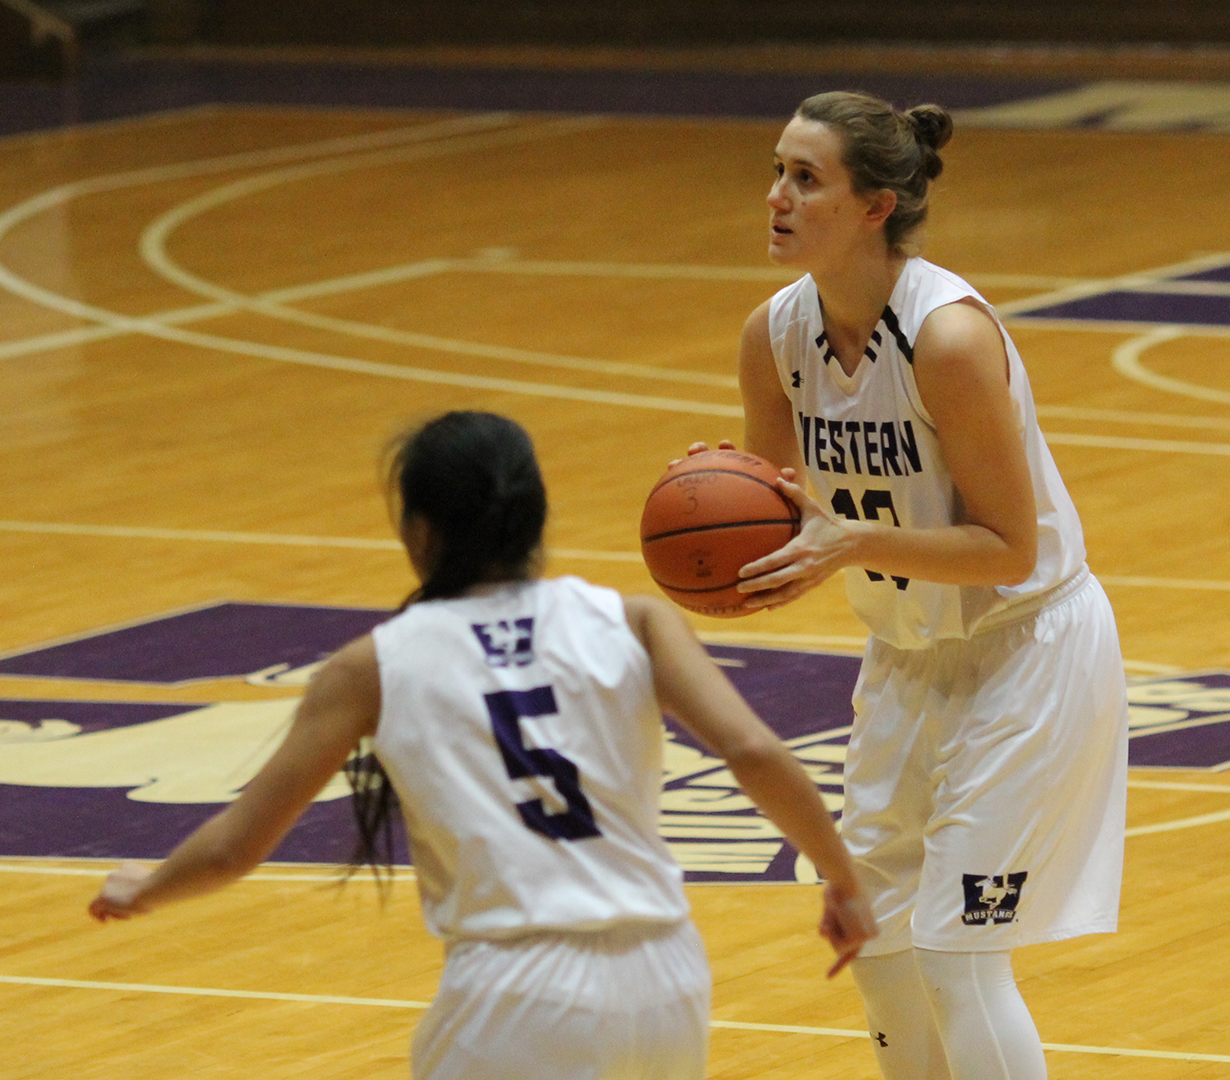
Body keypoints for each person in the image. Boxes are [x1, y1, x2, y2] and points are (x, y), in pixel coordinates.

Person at [90, 410, 878, 1080]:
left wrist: (147, 885)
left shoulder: (372, 665)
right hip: (665, 976)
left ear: (419, 531)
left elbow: (234, 849)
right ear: (533, 517)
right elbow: (755, 753)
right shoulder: (636, 621)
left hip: (518, 988)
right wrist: (842, 880)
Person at [695, 91, 1131, 1080]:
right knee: (880, 944)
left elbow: (1010, 547)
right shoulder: (773, 336)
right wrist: (719, 520)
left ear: (874, 206)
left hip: (1028, 649)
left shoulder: (948, 338)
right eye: (776, 171)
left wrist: (851, 543)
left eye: (805, 179)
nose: (775, 197)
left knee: (958, 952)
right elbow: (783, 526)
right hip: (906, 659)